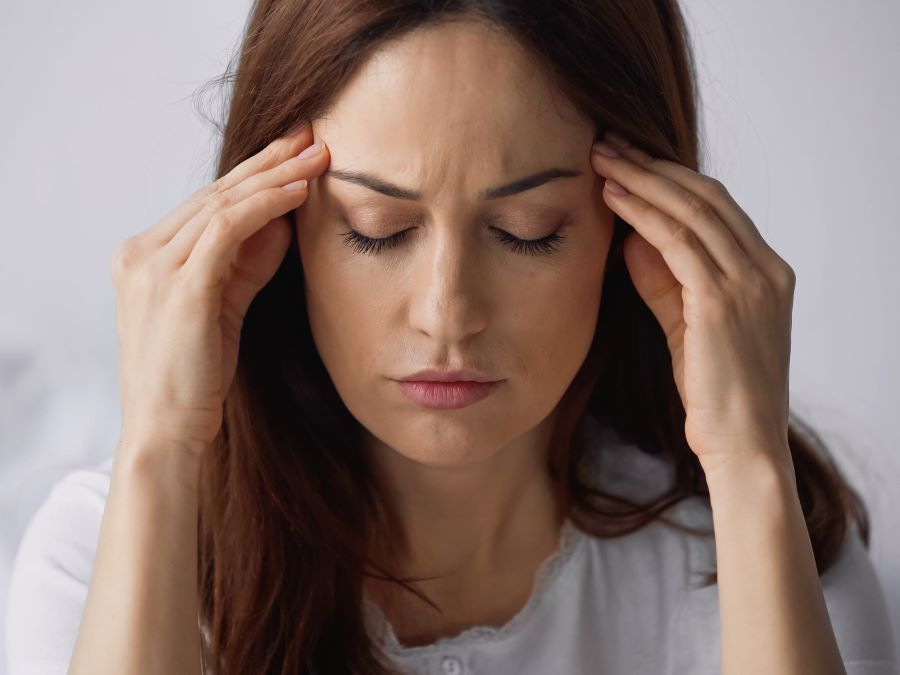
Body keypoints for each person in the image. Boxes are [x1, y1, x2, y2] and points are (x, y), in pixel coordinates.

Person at [6, 2, 899, 674]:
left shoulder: (774, 552)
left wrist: (747, 463)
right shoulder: (102, 555)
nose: (446, 312)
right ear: (271, 229)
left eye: (527, 229)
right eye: (376, 227)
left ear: (640, 232)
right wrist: (161, 445)